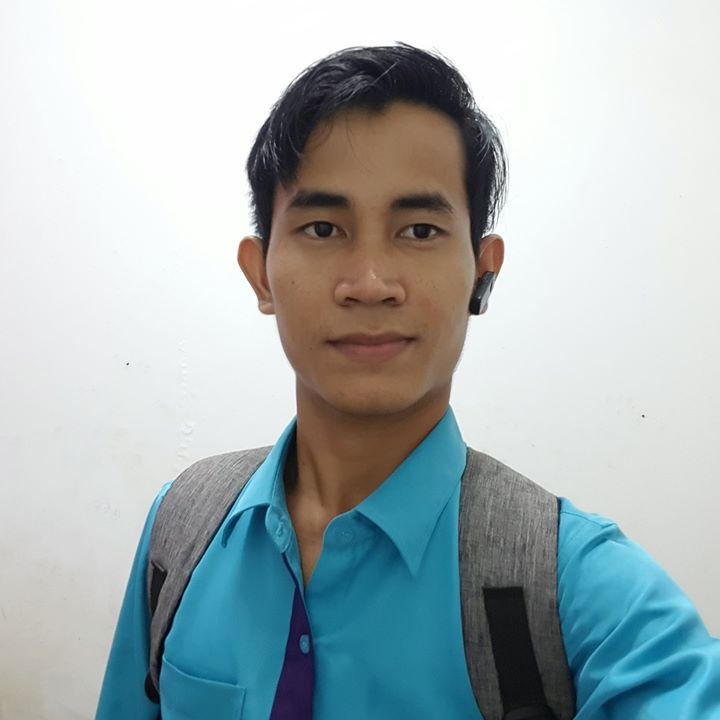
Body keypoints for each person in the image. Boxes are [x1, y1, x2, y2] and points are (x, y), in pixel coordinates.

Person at [95, 42, 720, 719]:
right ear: (260, 274)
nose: (370, 283)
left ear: (482, 273)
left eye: (419, 230)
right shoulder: (182, 528)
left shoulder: (579, 586)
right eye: (323, 227)